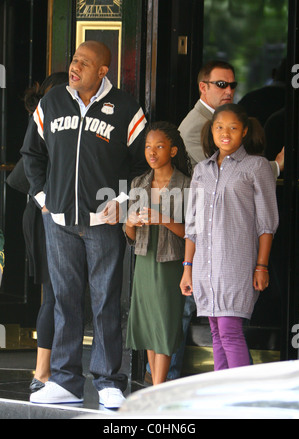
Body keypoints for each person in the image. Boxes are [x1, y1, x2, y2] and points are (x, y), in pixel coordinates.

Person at [21, 40, 147, 409]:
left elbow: (142, 166)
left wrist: (121, 203)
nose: (74, 67)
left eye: (84, 63)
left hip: (103, 223)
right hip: (58, 220)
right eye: (73, 59)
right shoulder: (53, 101)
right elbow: (32, 154)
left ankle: (108, 381)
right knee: (65, 301)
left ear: (103, 71)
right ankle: (65, 380)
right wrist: (44, 199)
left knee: (106, 300)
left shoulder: (126, 108)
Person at [180, 103, 279, 370]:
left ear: (244, 131)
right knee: (216, 332)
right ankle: (222, 396)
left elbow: (266, 224)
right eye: (219, 127)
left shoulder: (256, 167)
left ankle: (240, 400)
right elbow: (193, 224)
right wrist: (187, 268)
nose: (226, 133)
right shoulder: (202, 169)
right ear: (211, 130)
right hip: (204, 266)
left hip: (236, 265)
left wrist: (262, 265)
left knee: (229, 331)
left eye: (233, 128)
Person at [6, 72, 69, 393]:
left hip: (51, 215)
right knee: (55, 296)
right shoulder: (48, 125)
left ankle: (50, 371)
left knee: (61, 296)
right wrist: (44, 198)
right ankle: (43, 372)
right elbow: (22, 177)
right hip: (45, 216)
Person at [125, 121, 191, 385]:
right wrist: (129, 222)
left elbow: (192, 232)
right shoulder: (138, 183)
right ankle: (156, 388)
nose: (152, 152)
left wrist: (162, 218)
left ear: (173, 151)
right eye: (148, 147)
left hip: (170, 264)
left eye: (159, 147)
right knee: (149, 327)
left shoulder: (186, 185)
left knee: (164, 327)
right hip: (143, 261)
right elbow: (129, 237)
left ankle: (158, 391)